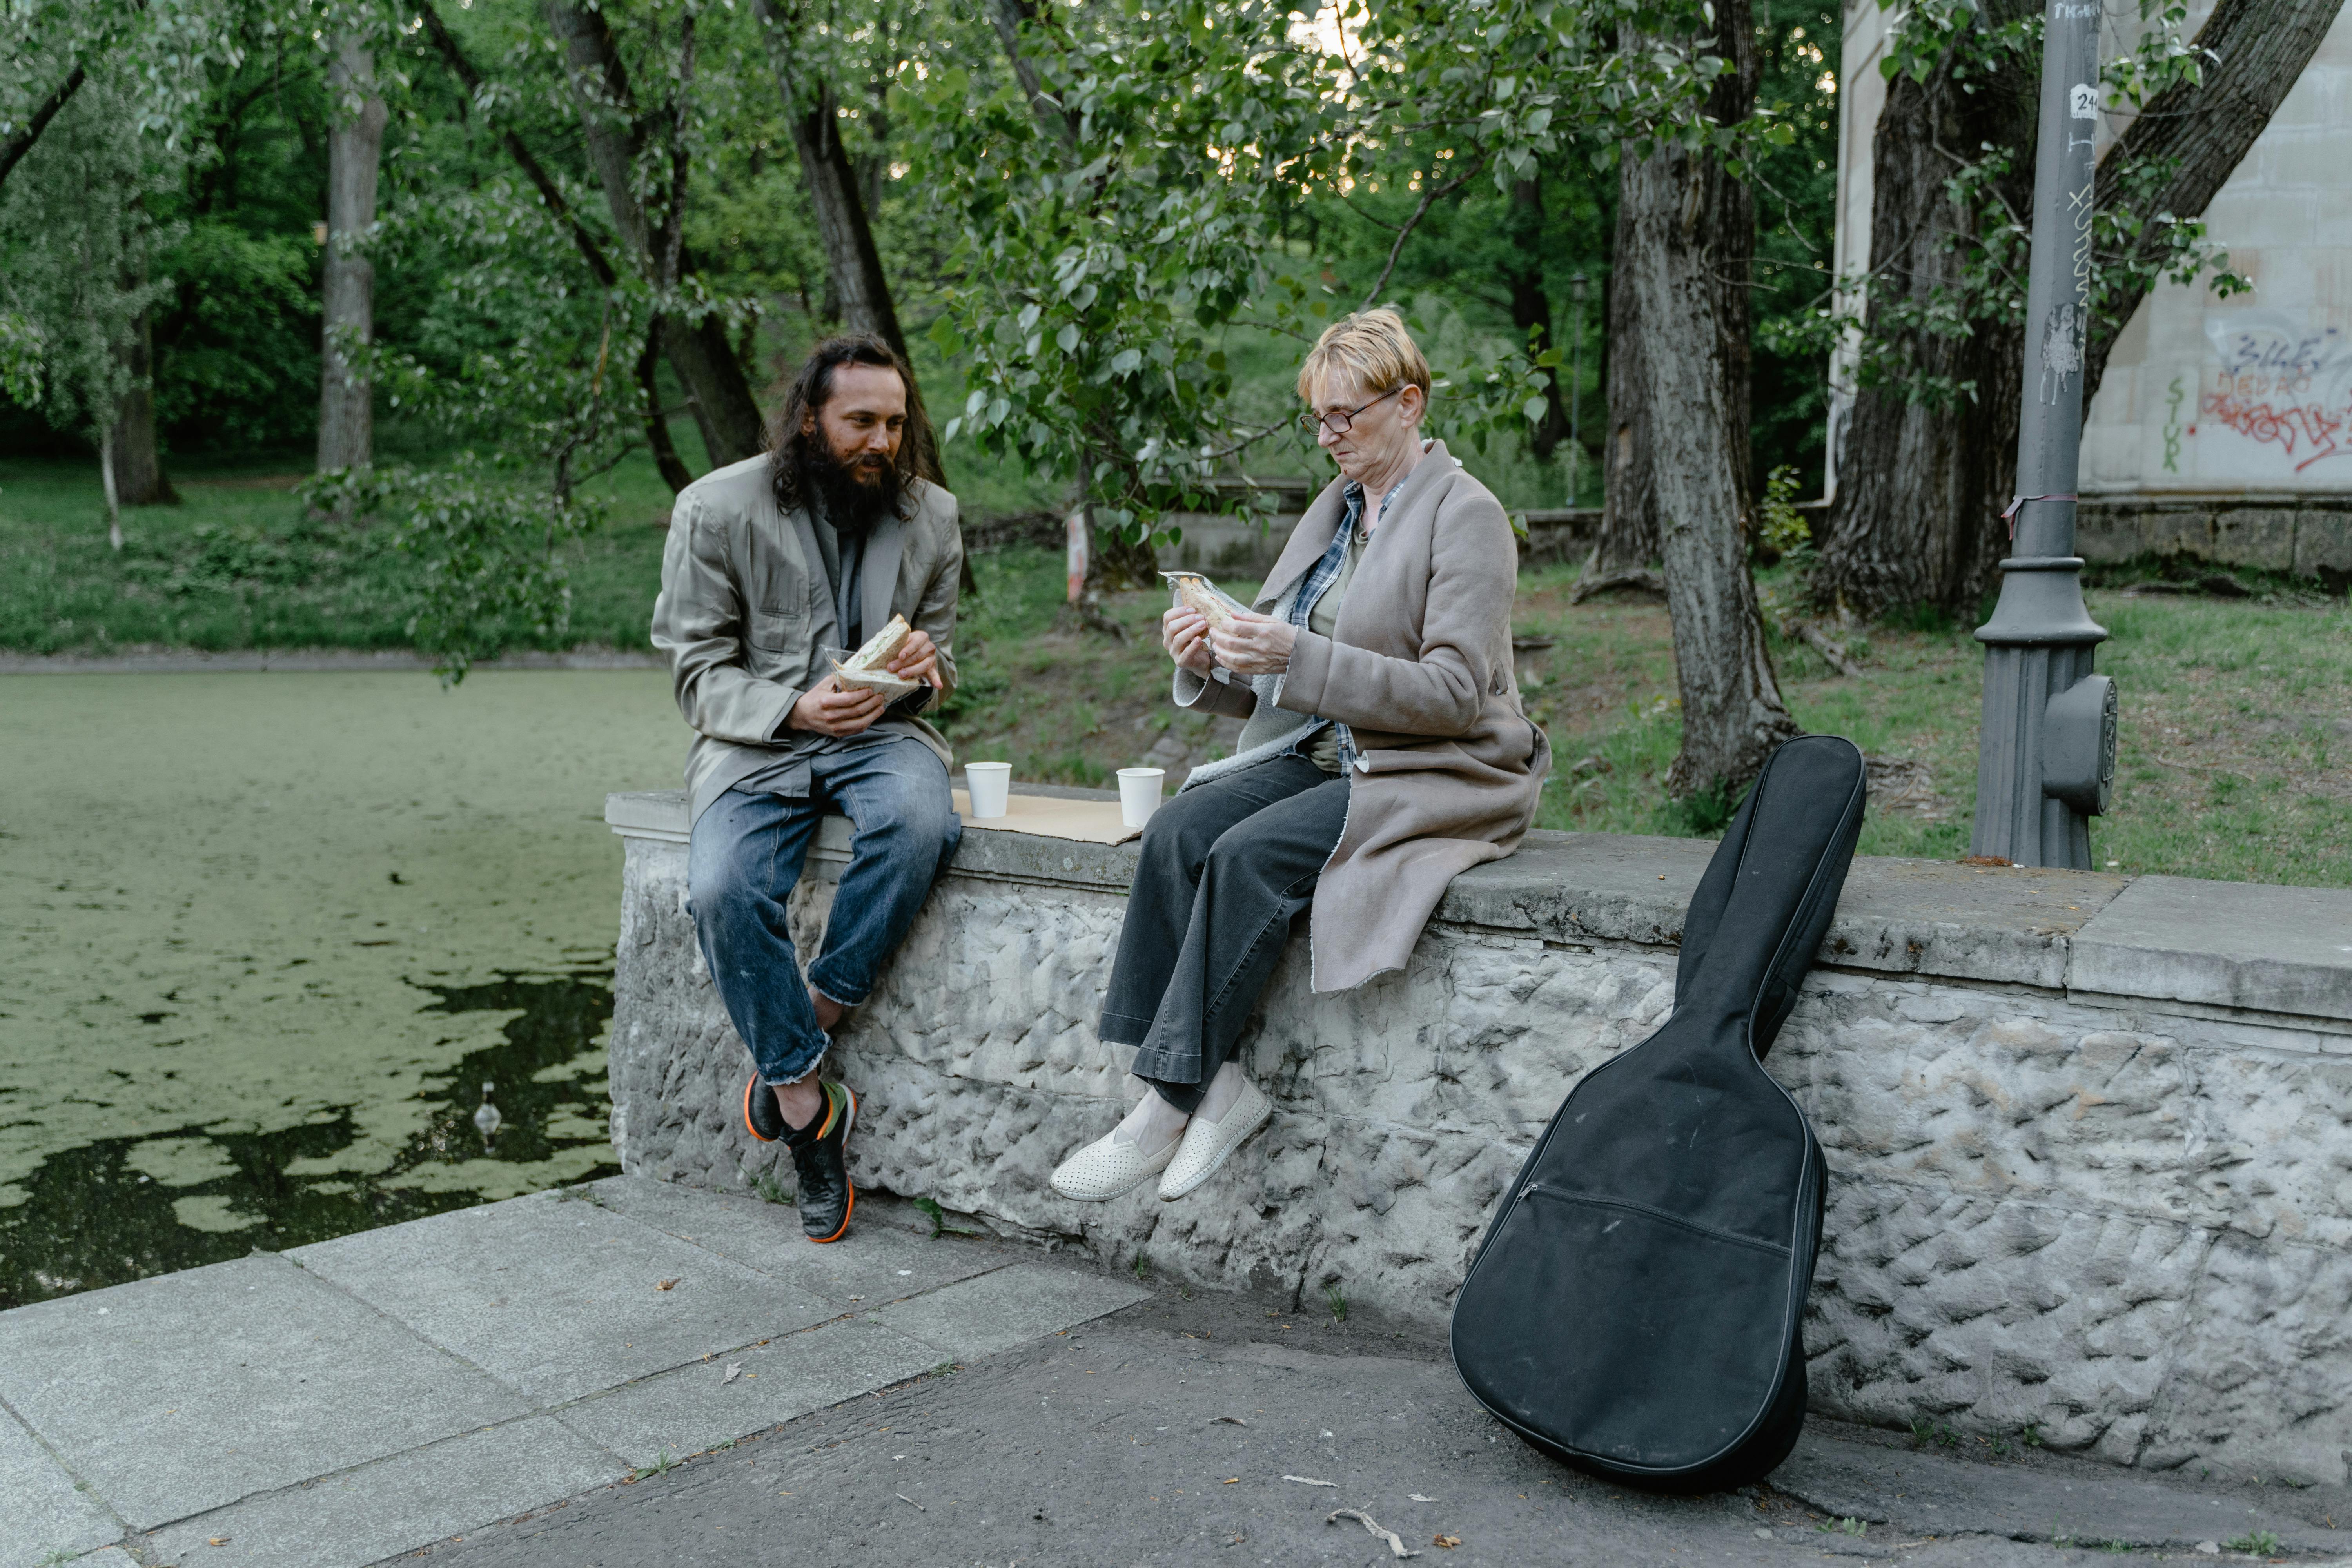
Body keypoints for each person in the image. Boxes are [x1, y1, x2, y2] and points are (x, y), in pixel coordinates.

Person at [1050, 309, 1551, 1205]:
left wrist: (1293, 654)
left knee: (1246, 857)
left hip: (1438, 768)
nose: (1327, 437)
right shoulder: (1338, 512)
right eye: (1316, 419)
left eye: (1343, 416)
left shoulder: (1467, 515)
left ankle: (1166, 1105)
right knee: (1177, 830)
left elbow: (1452, 695)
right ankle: (1211, 1083)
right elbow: (1292, 685)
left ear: (1408, 402)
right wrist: (1212, 658)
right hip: (1331, 750)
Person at [651, 334, 963, 1244]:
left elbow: (943, 655)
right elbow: (695, 674)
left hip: (883, 737)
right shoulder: (713, 508)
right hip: (757, 744)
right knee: (721, 886)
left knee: (919, 822)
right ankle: (804, 1107)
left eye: (895, 423)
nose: (882, 441)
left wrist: (927, 668)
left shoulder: (933, 513)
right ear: (809, 419)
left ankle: (801, 1028)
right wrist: (792, 707)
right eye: (861, 420)